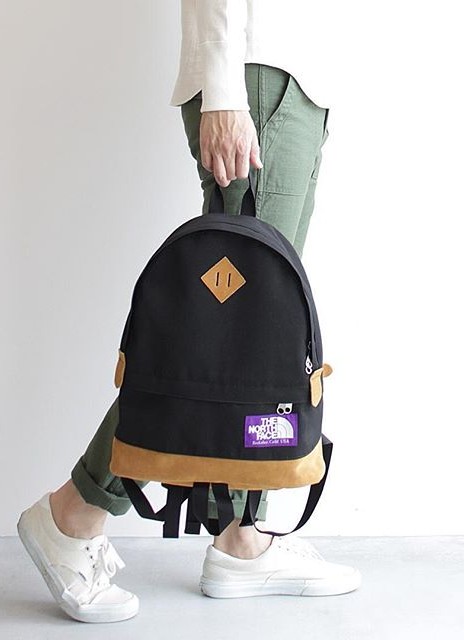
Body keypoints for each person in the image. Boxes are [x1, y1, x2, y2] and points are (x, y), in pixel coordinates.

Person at [17, 0, 361, 624]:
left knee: (257, 343)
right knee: (227, 338)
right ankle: (74, 513)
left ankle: (239, 536)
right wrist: (225, 91)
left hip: (293, 84)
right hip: (258, 81)